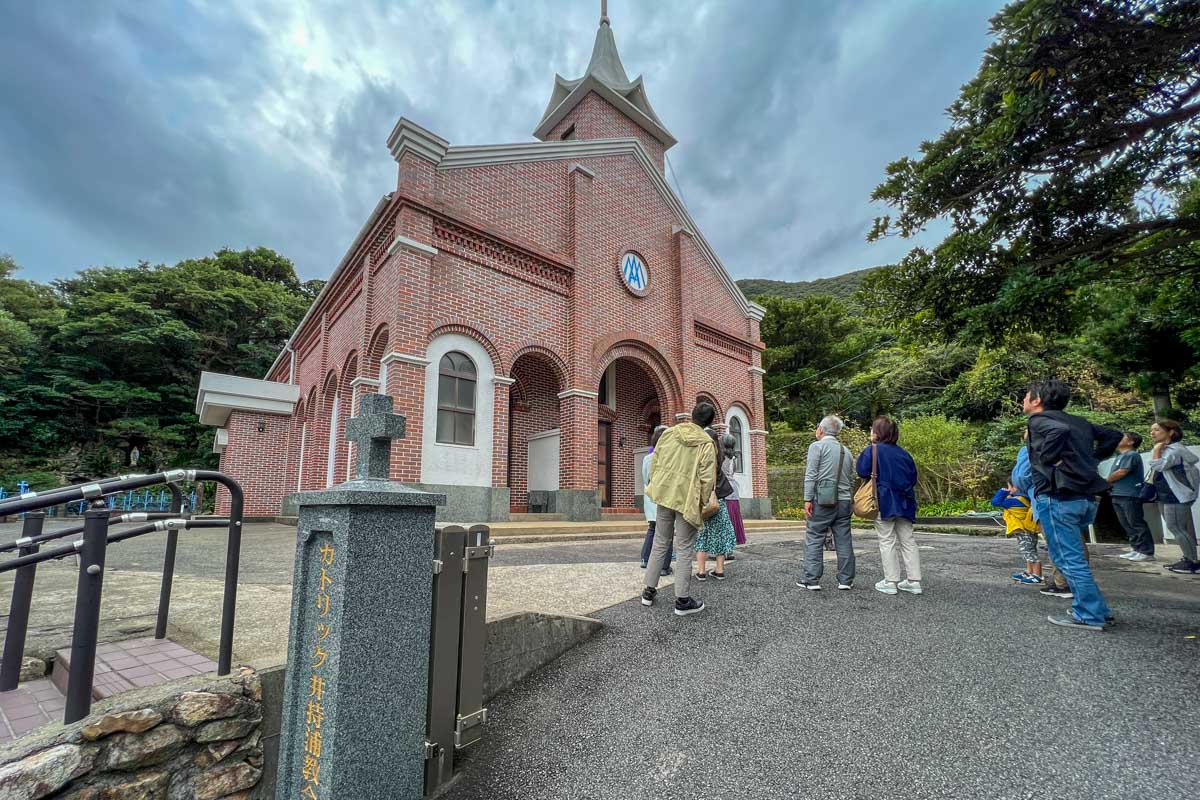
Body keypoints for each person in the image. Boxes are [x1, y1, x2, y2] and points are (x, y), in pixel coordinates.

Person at [1024, 380, 1122, 631]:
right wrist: (1091, 460)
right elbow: (1113, 435)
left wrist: (1046, 459)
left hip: (1057, 497)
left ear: (1037, 400)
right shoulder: (1079, 422)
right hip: (1084, 497)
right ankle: (1098, 610)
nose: (1023, 400)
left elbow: (1058, 431)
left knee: (1068, 559)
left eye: (1026, 396)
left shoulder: (1038, 420)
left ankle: (1089, 614)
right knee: (1072, 557)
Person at [641, 402, 717, 616]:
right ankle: (682, 600)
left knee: (660, 542)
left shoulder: (669, 433)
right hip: (687, 499)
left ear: (692, 415)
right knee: (684, 547)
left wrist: (657, 485)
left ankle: (648, 591)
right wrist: (702, 502)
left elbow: (656, 462)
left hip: (665, 494)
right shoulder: (706, 443)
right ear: (709, 423)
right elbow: (707, 478)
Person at [856, 416, 922, 595]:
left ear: (878, 432)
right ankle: (914, 581)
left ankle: (890, 582)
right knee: (908, 540)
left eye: (872, 429)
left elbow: (862, 471)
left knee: (887, 540)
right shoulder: (904, 454)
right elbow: (913, 478)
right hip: (905, 502)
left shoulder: (873, 450)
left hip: (883, 501)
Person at [797, 415, 855, 591]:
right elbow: (851, 478)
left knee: (814, 536)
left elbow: (811, 474)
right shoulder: (846, 451)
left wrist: (807, 498)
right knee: (844, 539)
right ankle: (846, 580)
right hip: (844, 501)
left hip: (822, 500)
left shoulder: (817, 447)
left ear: (821, 430)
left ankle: (812, 579)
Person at [1148, 419, 1200, 574]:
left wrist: (1156, 450)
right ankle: (1188, 558)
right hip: (1169, 494)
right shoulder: (1169, 449)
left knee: (1176, 527)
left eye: (1157, 429)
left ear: (1170, 432)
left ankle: (1192, 562)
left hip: (1176, 495)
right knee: (1177, 527)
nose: (1152, 433)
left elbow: (1159, 465)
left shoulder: (1174, 450)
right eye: (1151, 430)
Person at [695, 430, 737, 581]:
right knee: (720, 534)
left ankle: (701, 572)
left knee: (702, 536)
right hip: (719, 501)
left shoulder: (699, 456)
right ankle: (719, 570)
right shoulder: (719, 457)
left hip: (704, 502)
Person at [1107, 432, 1154, 562]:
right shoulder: (1120, 456)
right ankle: (1136, 548)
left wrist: (1105, 481)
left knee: (1135, 523)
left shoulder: (1131, 455)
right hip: (1118, 493)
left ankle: (1146, 552)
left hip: (1130, 494)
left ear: (1131, 442)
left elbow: (1122, 472)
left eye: (1122, 437)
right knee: (1127, 524)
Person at [991, 481, 1042, 584]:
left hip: (1024, 531)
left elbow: (995, 502)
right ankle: (1029, 572)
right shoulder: (1025, 499)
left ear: (1015, 487)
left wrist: (1003, 492)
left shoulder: (1015, 501)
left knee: (1030, 553)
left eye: (1009, 486)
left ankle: (1037, 575)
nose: (1008, 488)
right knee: (1028, 552)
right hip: (1028, 530)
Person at [639, 425, 673, 575]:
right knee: (667, 532)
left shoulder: (647, 458)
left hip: (651, 497)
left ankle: (645, 559)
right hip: (665, 498)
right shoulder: (670, 457)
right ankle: (664, 566)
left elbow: (645, 478)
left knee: (653, 528)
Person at [720, 432, 748, 548]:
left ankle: (723, 548)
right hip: (733, 489)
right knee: (733, 518)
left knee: (723, 519)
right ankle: (730, 548)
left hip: (723, 488)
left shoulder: (721, 457)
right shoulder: (734, 458)